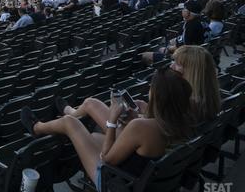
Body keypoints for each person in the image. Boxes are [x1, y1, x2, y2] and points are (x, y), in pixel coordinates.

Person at [21, 67, 194, 192]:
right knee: (94, 134)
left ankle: (37, 128)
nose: (149, 90)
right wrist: (138, 118)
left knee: (70, 124)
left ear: (158, 96)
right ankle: (70, 113)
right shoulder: (179, 123)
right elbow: (143, 140)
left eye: (151, 88)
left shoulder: (142, 127)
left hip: (114, 181)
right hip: (136, 175)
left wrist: (112, 120)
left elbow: (106, 159)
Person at [171, 45, 221, 124]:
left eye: (178, 64)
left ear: (192, 72)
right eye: (173, 62)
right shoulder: (208, 96)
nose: (172, 66)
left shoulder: (188, 103)